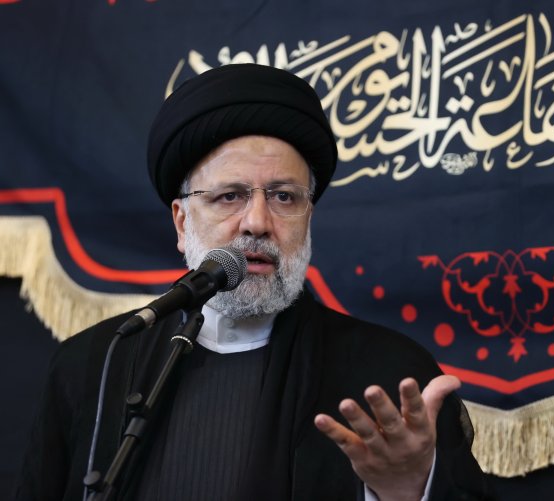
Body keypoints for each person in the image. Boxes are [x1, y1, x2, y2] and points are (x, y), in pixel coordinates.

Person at [15, 64, 489, 500]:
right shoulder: (96, 365)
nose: (258, 222)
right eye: (230, 196)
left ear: (308, 218)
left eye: (284, 197)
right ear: (181, 222)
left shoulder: (388, 374)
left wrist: (406, 491)